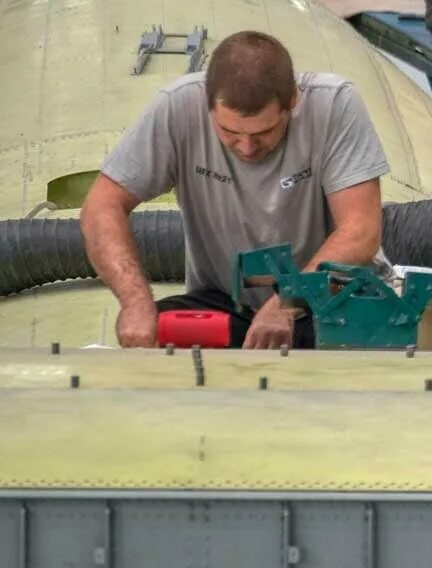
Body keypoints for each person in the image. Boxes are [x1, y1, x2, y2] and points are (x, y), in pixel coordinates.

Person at [80, 31, 390, 350]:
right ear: (207, 104)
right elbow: (102, 205)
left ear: (293, 102)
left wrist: (287, 301)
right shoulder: (176, 107)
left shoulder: (335, 104)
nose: (246, 147)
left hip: (330, 303)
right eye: (229, 132)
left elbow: (360, 230)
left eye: (264, 132)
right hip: (229, 307)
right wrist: (135, 303)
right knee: (161, 334)